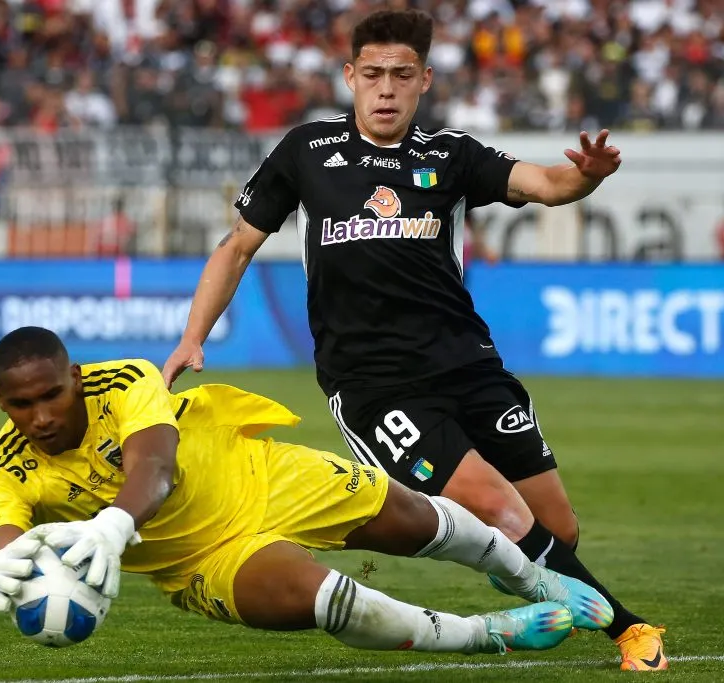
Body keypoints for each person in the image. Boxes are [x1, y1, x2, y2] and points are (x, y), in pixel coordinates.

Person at [160, 9, 666, 672]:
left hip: (469, 364)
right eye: (373, 74)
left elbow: (546, 183)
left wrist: (588, 175)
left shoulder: (450, 155)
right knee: (500, 509)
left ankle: (521, 569)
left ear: (424, 80)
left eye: (402, 75)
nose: (386, 88)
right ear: (350, 76)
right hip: (376, 385)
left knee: (557, 530)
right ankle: (631, 630)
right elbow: (236, 247)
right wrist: (192, 337)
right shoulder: (307, 151)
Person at [0, 326, 611, 656]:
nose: (42, 416)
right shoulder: (6, 470)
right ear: (2, 402)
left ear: (75, 378)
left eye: (52, 394)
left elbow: (155, 469)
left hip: (265, 477)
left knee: (417, 519)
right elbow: (1, 535)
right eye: (23, 404)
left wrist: (112, 526)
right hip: (204, 563)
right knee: (333, 601)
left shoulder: (124, 382)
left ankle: (532, 578)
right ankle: (487, 634)